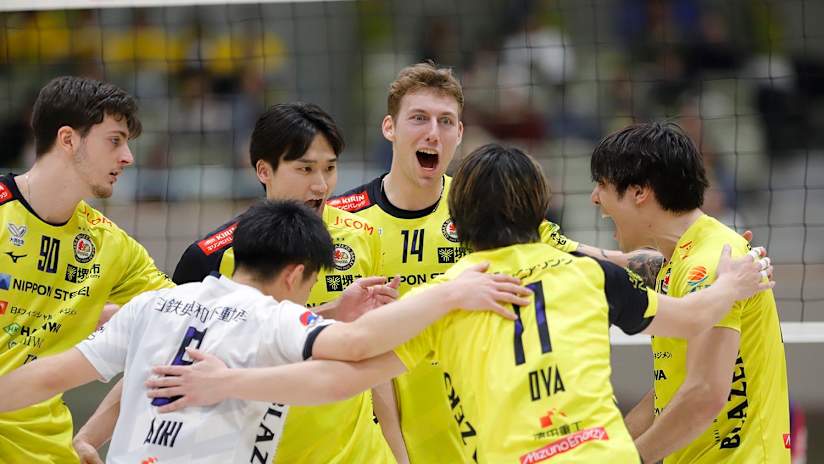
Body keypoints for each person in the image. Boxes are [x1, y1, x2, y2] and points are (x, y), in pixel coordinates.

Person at [143, 144, 774, 463]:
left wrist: (231, 380)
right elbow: (692, 316)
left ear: (459, 215)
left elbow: (340, 372)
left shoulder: (446, 298)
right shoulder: (587, 272)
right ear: (539, 209)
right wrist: (737, 281)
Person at [0, 199, 532, 462]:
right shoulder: (272, 319)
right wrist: (451, 292)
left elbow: (49, 376)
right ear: (297, 273)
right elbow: (353, 349)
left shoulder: (158, 304)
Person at [75, 103, 406, 463]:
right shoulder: (211, 256)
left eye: (330, 168)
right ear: (265, 170)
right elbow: (163, 354)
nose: (321, 184)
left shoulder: (364, 235)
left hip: (357, 454)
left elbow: (371, 353)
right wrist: (91, 436)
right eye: (305, 168)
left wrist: (398, 454)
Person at [327, 61, 580, 463]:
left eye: (446, 121)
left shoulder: (481, 203)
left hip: (484, 433)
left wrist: (639, 258)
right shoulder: (344, 219)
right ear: (389, 128)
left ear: (460, 134)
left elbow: (564, 251)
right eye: (419, 118)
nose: (433, 132)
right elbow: (360, 351)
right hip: (387, 443)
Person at [590, 122, 789, 463]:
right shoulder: (681, 258)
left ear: (640, 192)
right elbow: (676, 391)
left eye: (603, 185)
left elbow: (705, 395)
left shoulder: (713, 263)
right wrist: (606, 450)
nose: (595, 197)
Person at [0, 76, 174, 462]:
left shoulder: (111, 247)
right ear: (68, 139)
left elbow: (184, 316)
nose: (127, 157)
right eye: (114, 140)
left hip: (46, 450)